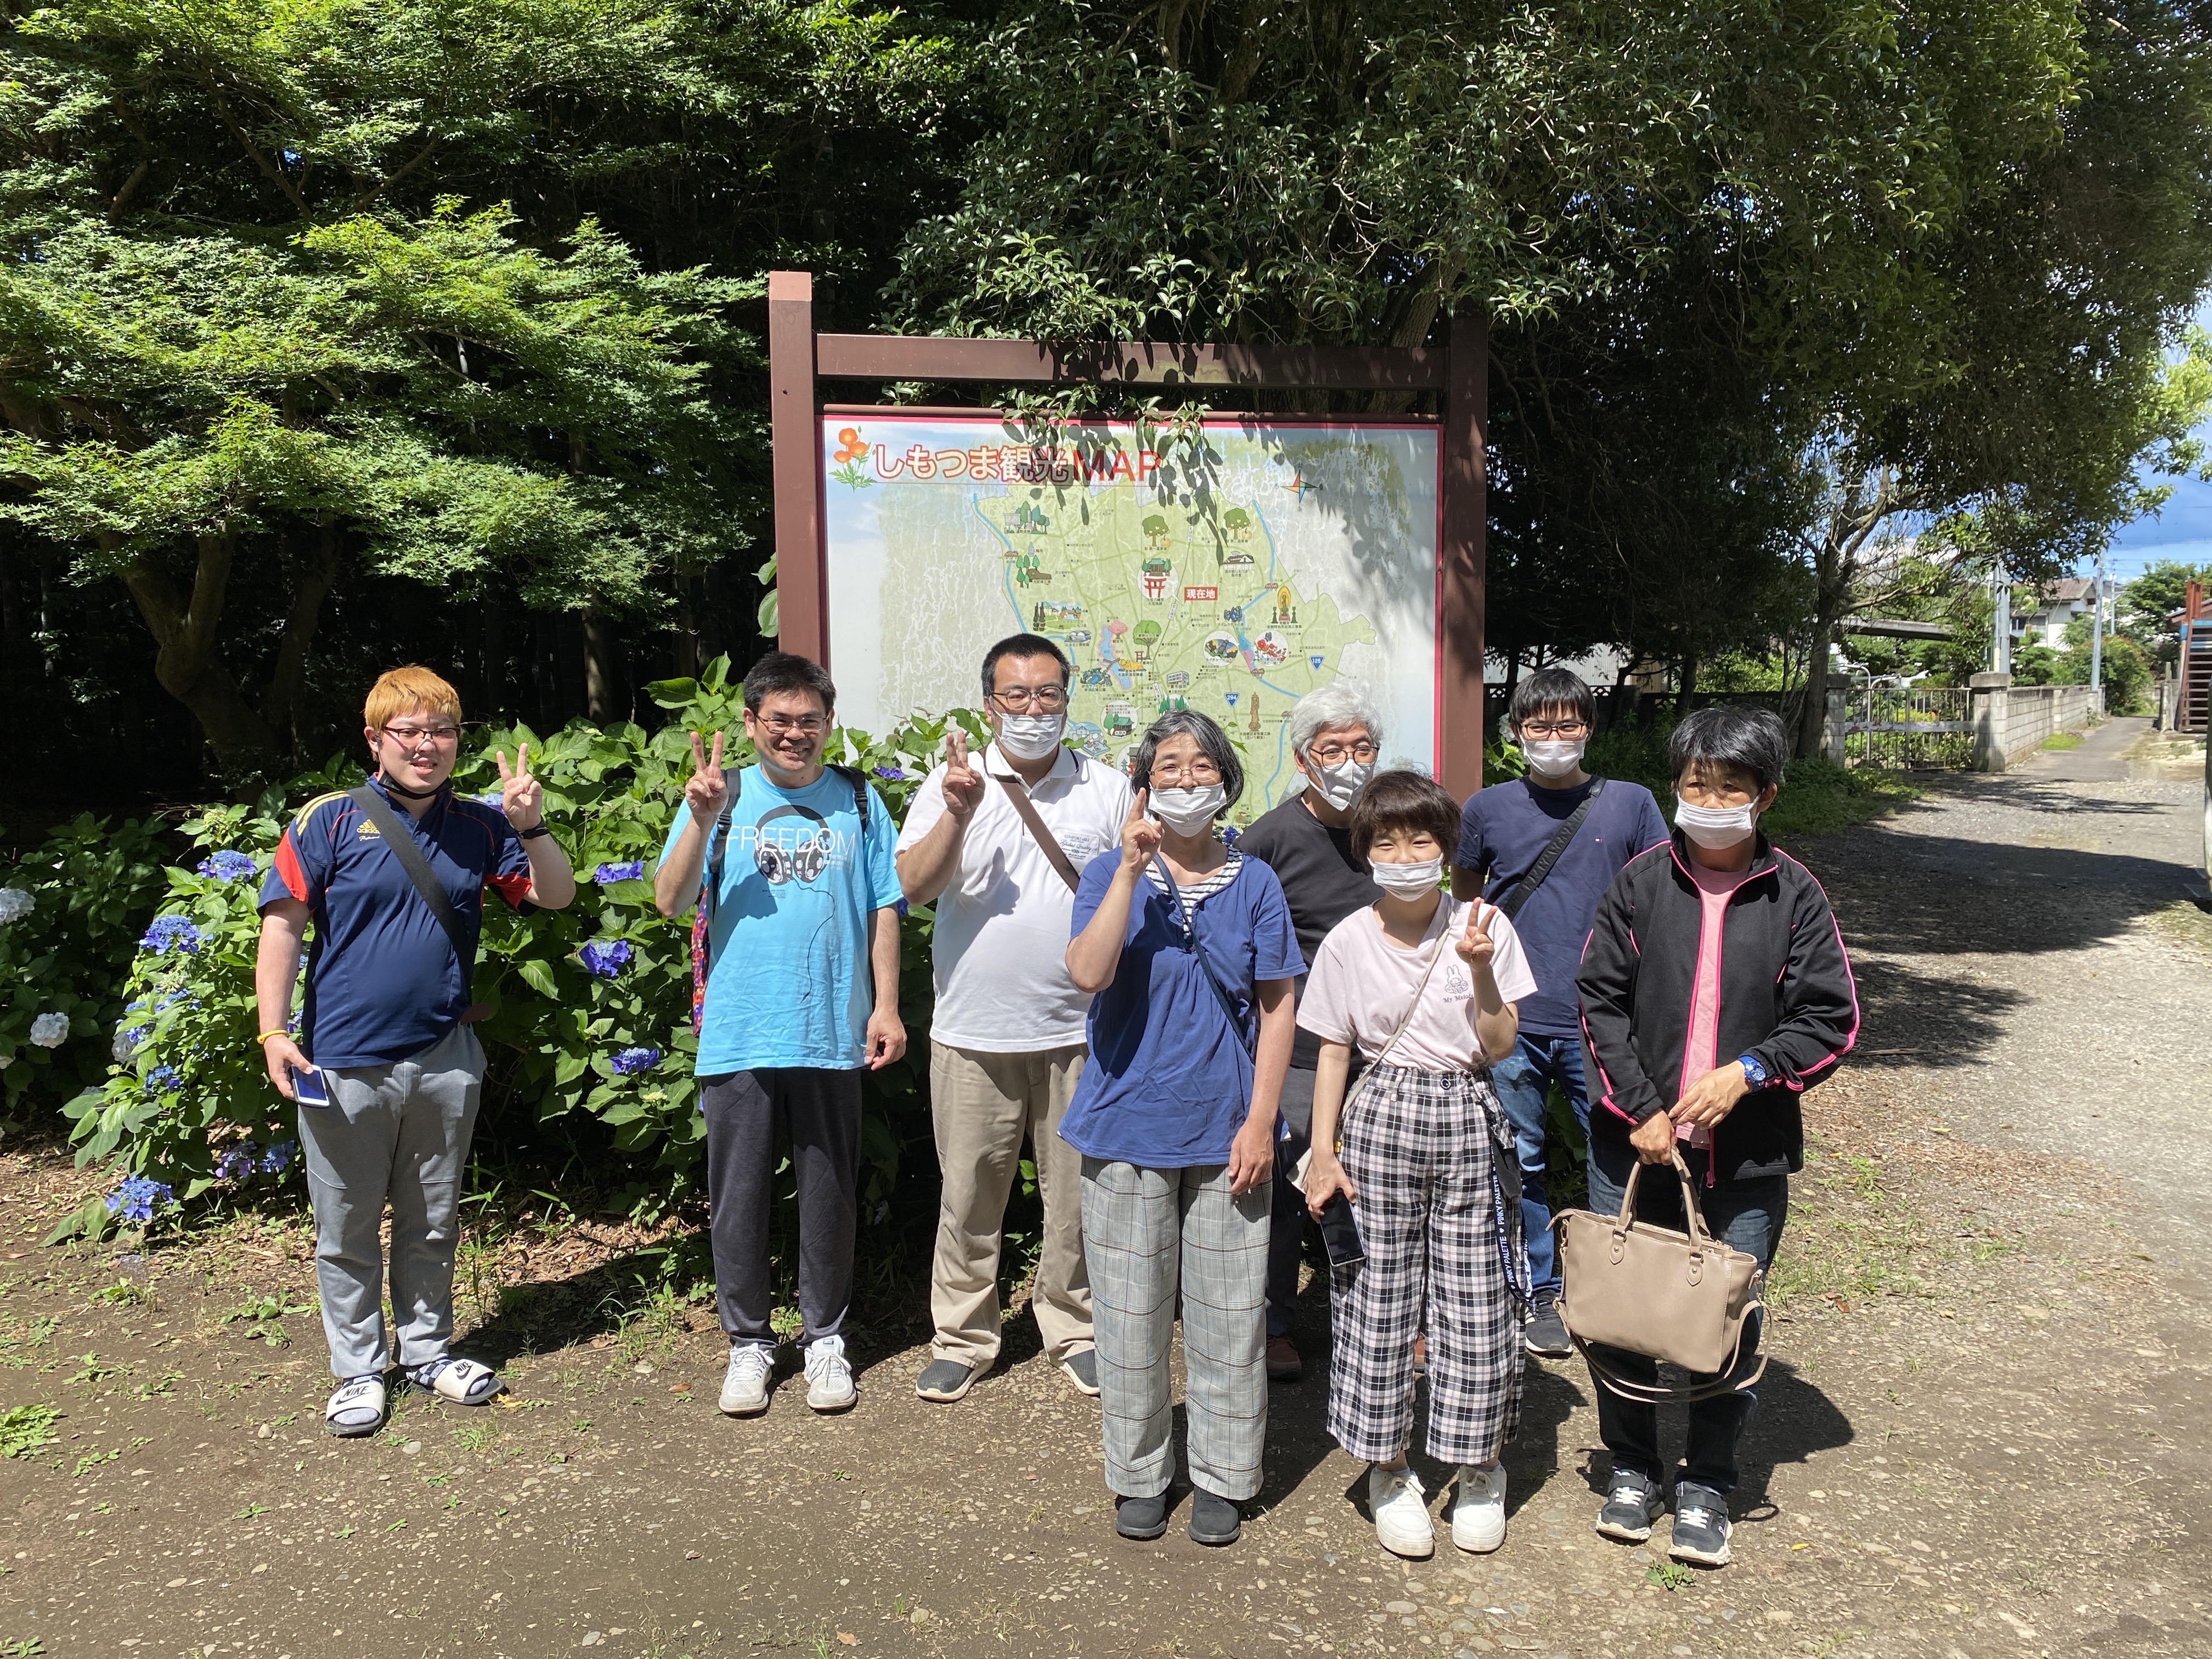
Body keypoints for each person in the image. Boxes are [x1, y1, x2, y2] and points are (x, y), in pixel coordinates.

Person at [257, 666, 578, 1438]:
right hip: (340, 1058)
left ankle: (429, 1352)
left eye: (442, 731)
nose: (427, 746)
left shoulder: (479, 826)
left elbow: (558, 896)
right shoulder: (329, 822)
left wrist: (530, 825)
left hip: (443, 1054)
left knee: (433, 1218)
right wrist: (274, 1032)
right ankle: (359, 1370)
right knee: (347, 1225)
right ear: (375, 739)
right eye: (409, 730)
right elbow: (283, 927)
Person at [1576, 704, 1858, 1568]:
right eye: (1695, 784)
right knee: (1620, 1312)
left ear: (1764, 795)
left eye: (1729, 786)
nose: (1708, 800)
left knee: (1725, 1323)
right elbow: (1600, 1000)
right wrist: (1643, 1110)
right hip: (1635, 1142)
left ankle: (1707, 1483)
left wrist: (1749, 1074)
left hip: (1743, 1159)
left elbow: (1829, 1018)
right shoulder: (1640, 882)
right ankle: (1631, 1467)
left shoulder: (1794, 893)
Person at [1060, 710, 1302, 1547]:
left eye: (1204, 767)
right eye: (1170, 767)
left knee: (1232, 1313)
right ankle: (1137, 1473)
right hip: (1125, 1124)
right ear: (1144, 783)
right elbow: (1089, 973)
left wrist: (1263, 1121)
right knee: (1128, 1313)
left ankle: (1224, 1476)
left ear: (1227, 779)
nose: (1189, 780)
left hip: (1228, 1127)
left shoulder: (1256, 883)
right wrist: (1130, 873)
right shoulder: (1107, 873)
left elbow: (1278, 1006)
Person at [654, 652, 906, 1418]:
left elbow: (883, 907)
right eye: (780, 720)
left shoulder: (858, 800)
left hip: (832, 1029)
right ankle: (749, 1344)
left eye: (810, 721)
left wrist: (887, 1005)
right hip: (740, 1031)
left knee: (830, 1192)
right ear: (752, 723)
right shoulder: (720, 800)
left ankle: (826, 1336)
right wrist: (698, 817)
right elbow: (668, 900)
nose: (795, 734)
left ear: (829, 725)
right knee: (737, 1198)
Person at [1299, 771, 1539, 1559]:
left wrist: (1478, 967)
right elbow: (1334, 1050)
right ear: (1365, 849)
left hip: (1466, 1113)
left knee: (1478, 1300)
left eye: (1422, 839)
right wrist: (1322, 1153)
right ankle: (1389, 1468)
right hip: (1377, 1121)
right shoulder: (1346, 939)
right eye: (1386, 840)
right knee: (1375, 1298)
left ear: (1446, 848)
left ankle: (1479, 1470)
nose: (1405, 854)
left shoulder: (1484, 923)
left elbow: (1499, 1047)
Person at [896, 633, 1133, 1403]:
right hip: (973, 1030)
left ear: (1067, 698)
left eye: (1048, 695)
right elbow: (916, 887)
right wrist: (958, 815)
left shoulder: (1105, 787)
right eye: (1016, 696)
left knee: (1078, 1196)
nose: (1033, 711)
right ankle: (963, 1336)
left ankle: (1073, 1326)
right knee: (968, 1191)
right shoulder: (951, 781)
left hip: (1082, 1029)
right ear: (989, 702)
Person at [1451, 668, 1668, 1357]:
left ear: (1590, 727)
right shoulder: (1486, 808)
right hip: (1510, 1015)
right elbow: (1468, 901)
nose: (1554, 738)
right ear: (1516, 734)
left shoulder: (1630, 804)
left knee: (1615, 1156)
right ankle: (1537, 1291)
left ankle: (1609, 1290)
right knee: (1520, 1161)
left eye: (1567, 723)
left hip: (1602, 1021)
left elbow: (1660, 898)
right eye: (1538, 726)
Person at [1232, 684, 1385, 1384]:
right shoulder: (1269, 837)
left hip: (1384, 1046)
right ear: (1303, 759)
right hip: (1297, 1047)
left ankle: (1386, 1319)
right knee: (1288, 1189)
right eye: (1334, 750)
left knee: (1385, 1183)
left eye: (1362, 748)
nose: (1350, 762)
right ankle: (1274, 1323)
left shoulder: (1389, 825)